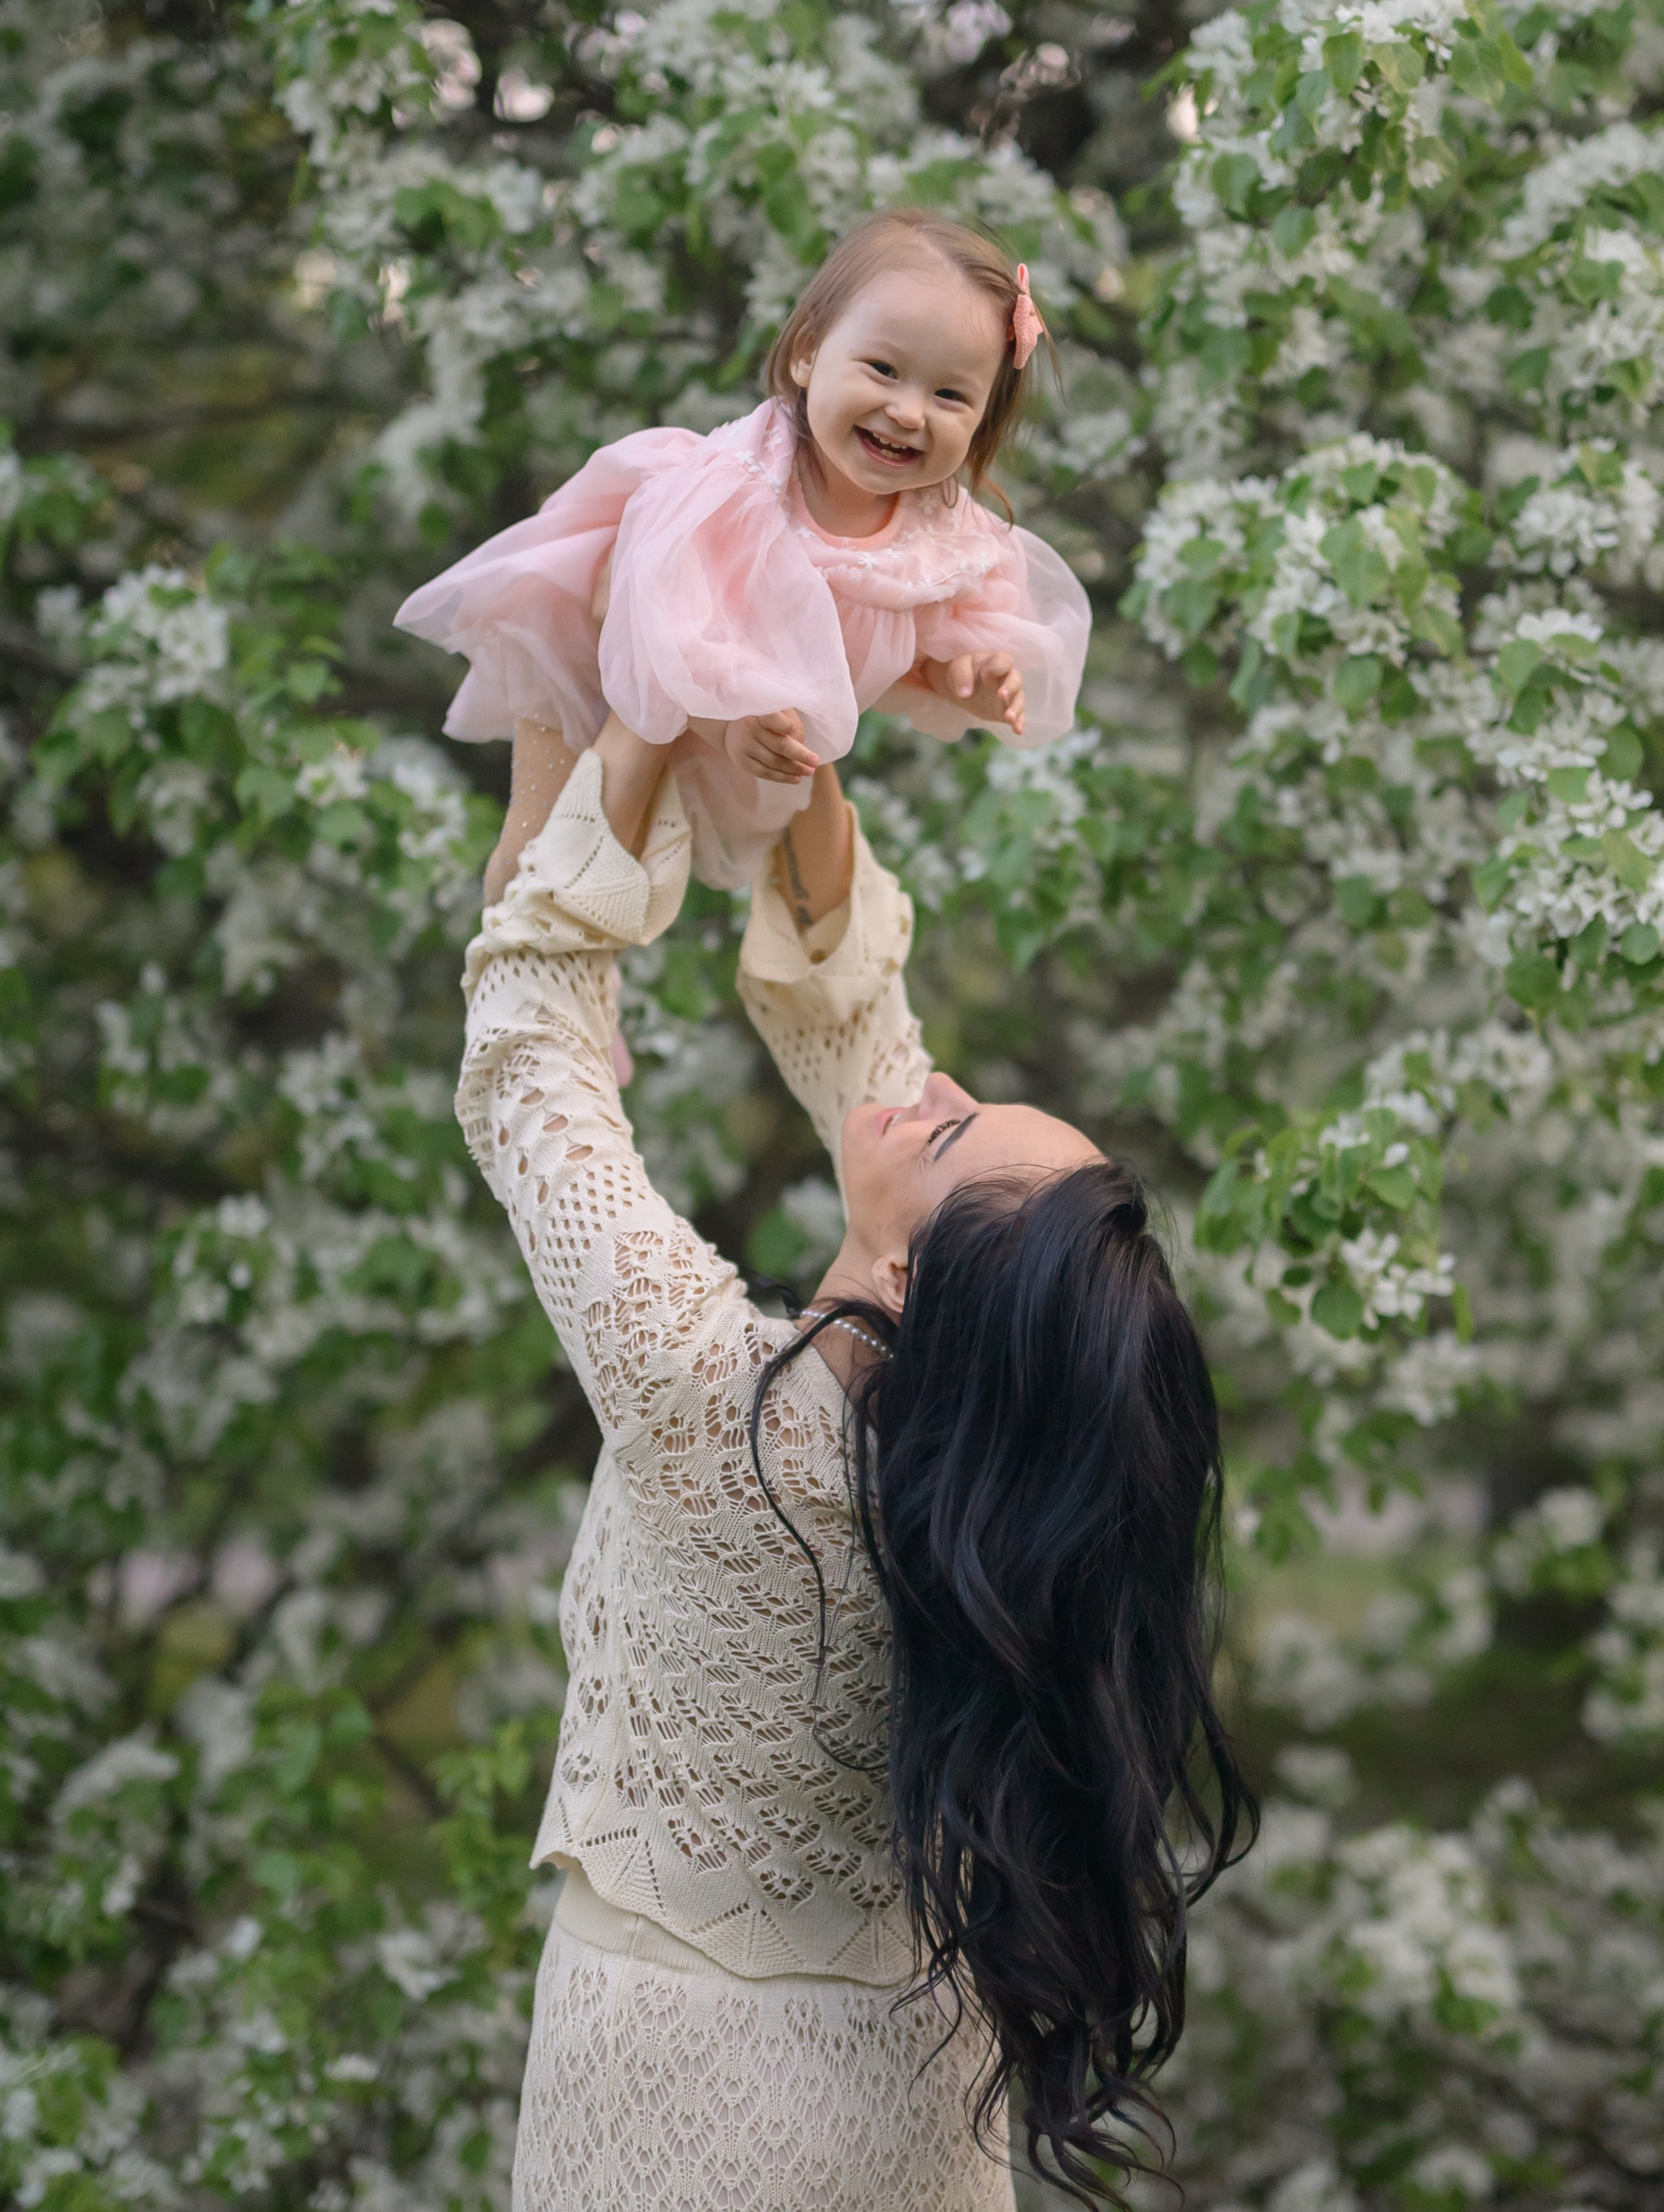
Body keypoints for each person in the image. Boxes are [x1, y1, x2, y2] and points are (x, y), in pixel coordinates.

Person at [456, 712, 1256, 2212]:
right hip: (909, 2083)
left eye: (945, 1124)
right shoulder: (1007, 1492)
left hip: (668, 2085)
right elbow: (867, 1054)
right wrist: (797, 749)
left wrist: (642, 713)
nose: (919, 1087)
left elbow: (527, 1063)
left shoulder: (715, 1407)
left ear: (906, 1275)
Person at [397, 208, 1091, 893]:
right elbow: (655, 626)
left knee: (811, 879)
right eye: (882, 369)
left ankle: (820, 987)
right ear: (807, 353)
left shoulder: (940, 538)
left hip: (769, 722)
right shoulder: (734, 490)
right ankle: (517, 950)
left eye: (949, 395)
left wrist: (961, 674)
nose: (909, 412)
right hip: (605, 649)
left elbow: (912, 648)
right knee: (550, 848)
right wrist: (724, 723)